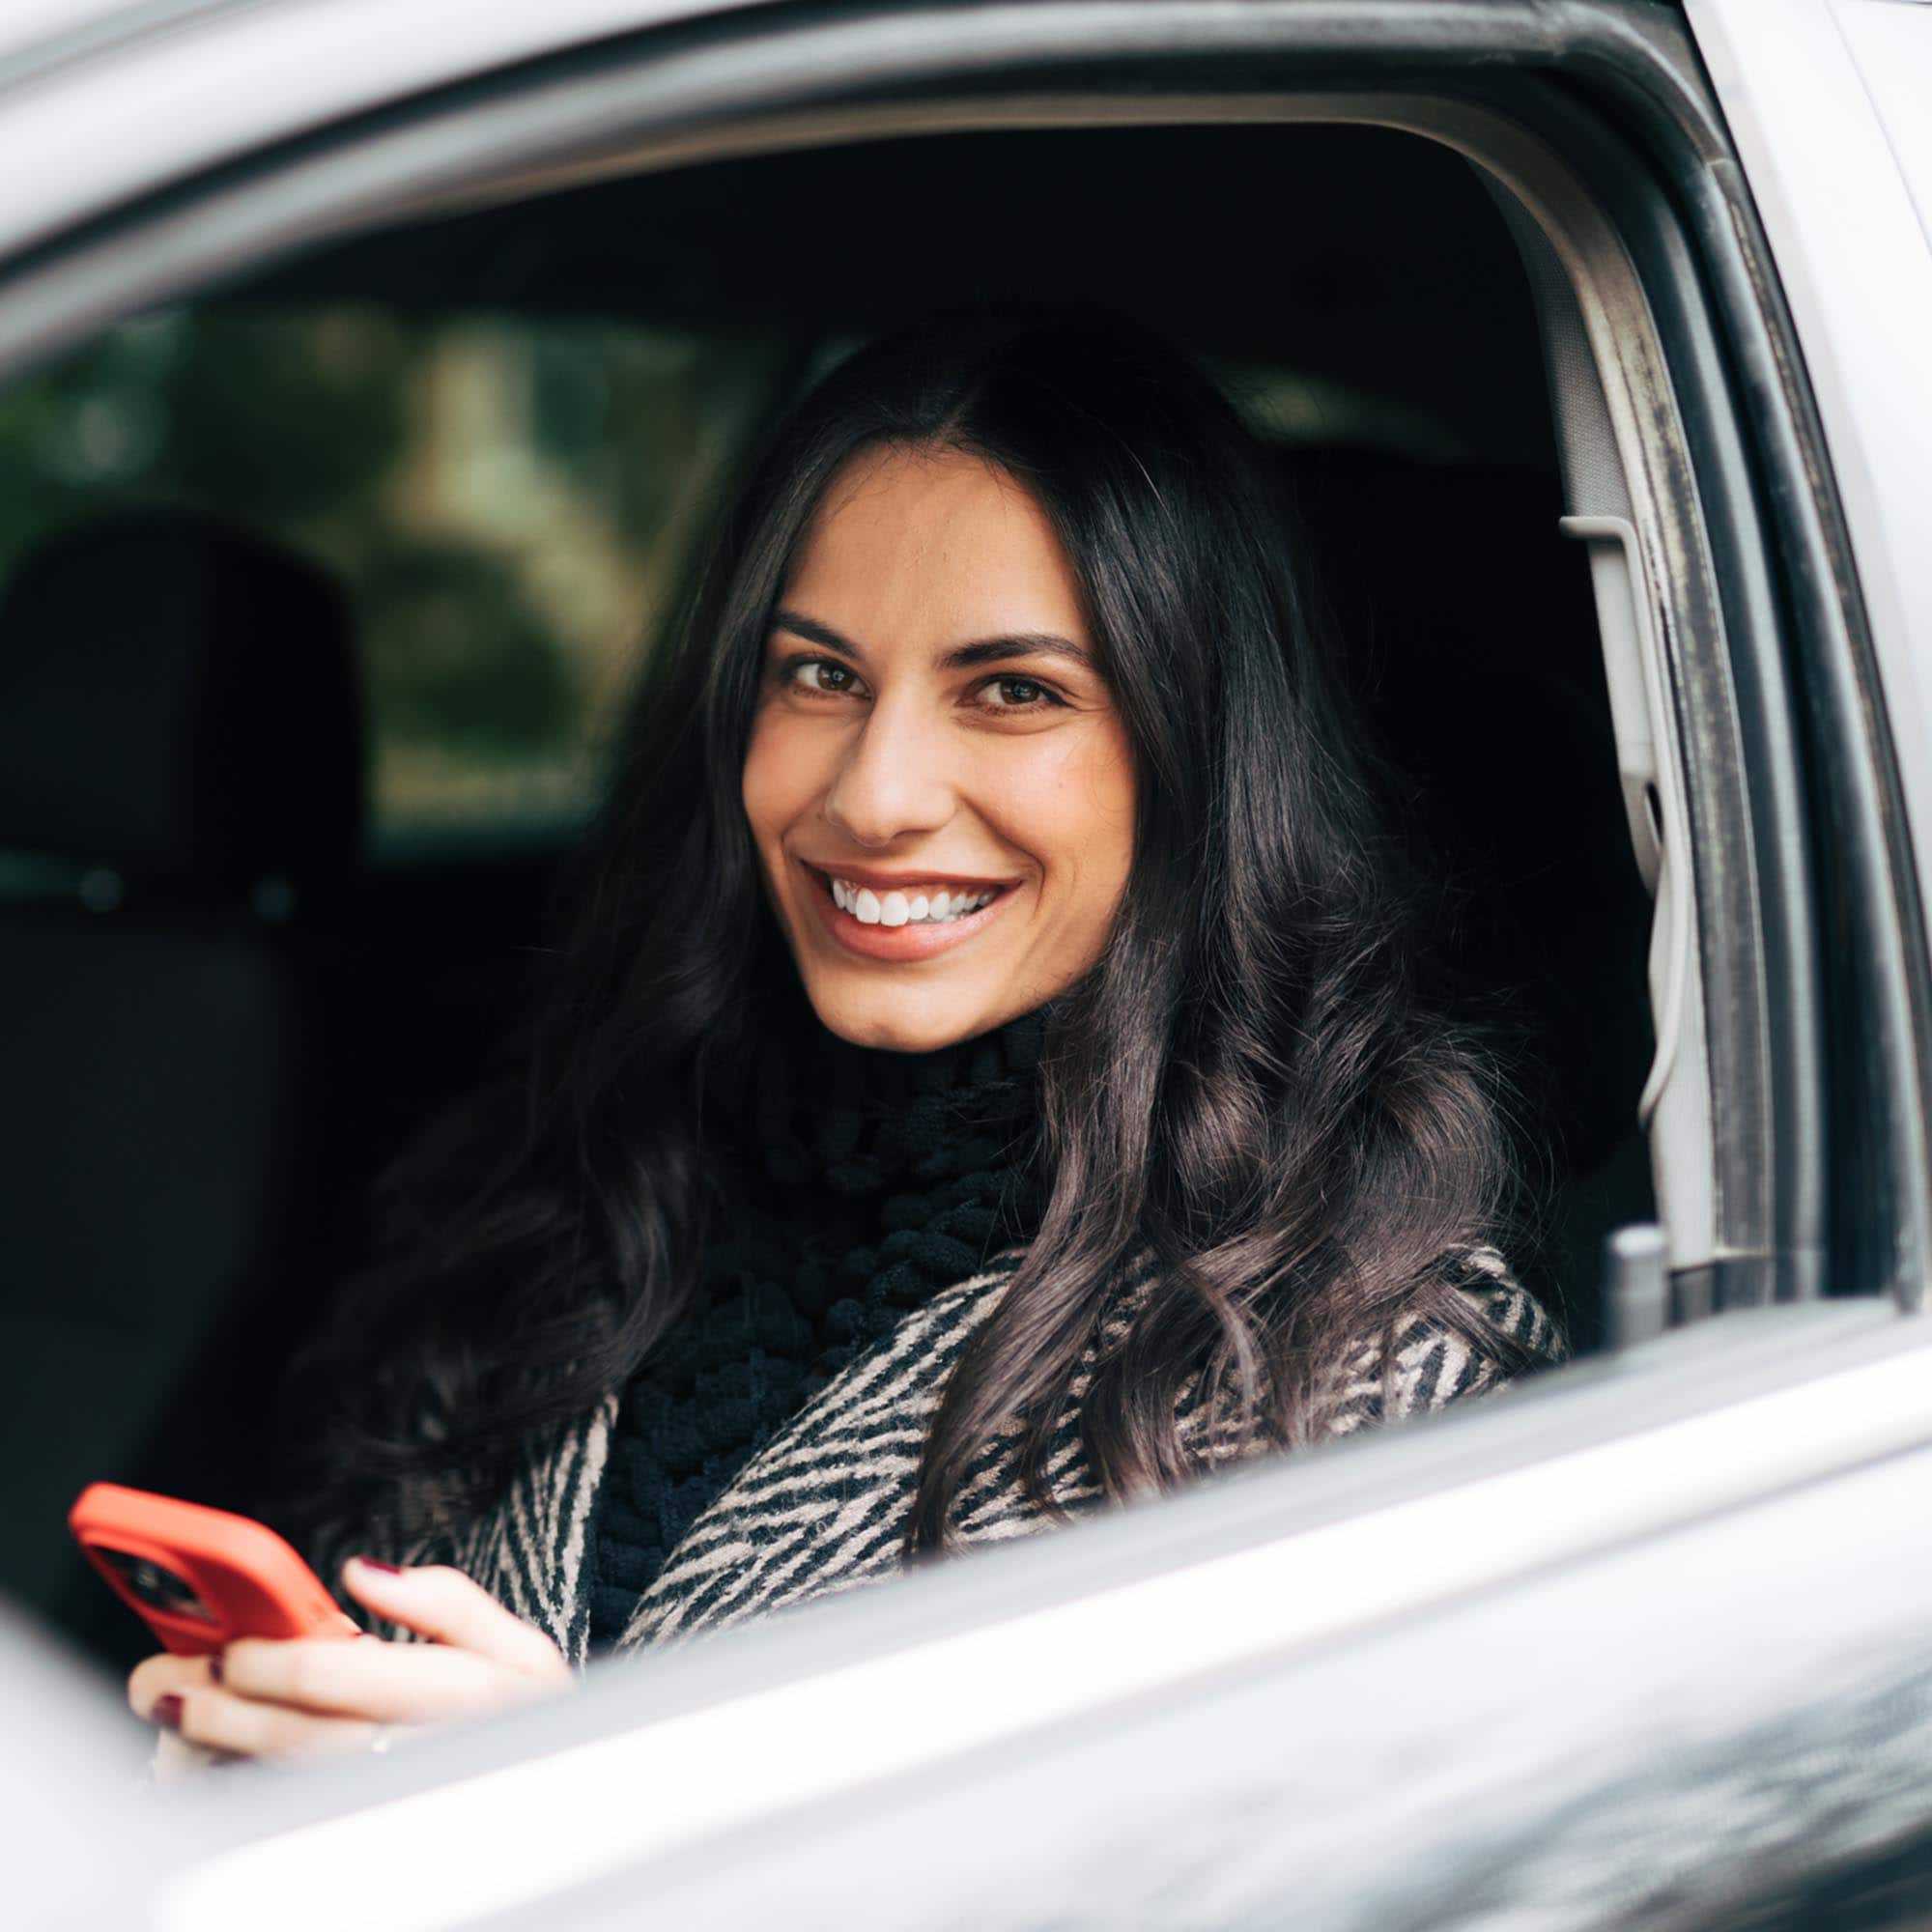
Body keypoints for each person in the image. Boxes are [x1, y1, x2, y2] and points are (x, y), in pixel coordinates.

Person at [128, 299, 1566, 1766]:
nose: (875, 794)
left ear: (1203, 753)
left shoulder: (1371, 1370)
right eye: (818, 675)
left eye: (1013, 692)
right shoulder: (557, 1188)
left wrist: (599, 1835)